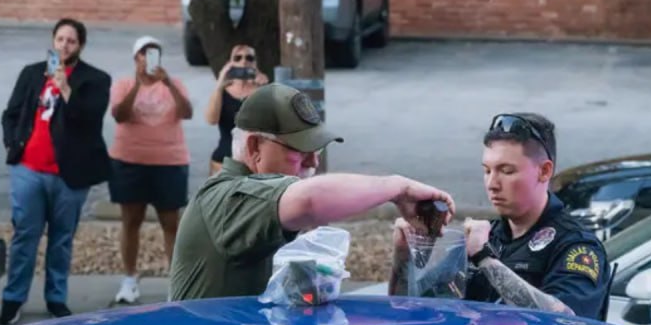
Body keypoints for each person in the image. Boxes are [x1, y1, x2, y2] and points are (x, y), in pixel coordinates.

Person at [170, 83, 456, 301]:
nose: (314, 161)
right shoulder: (228, 198)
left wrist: (404, 257)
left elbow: (310, 309)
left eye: (317, 149)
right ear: (255, 147)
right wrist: (398, 188)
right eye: (300, 150)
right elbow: (308, 200)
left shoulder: (269, 215)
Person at [390, 112, 610, 319]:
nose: (492, 184)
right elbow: (409, 310)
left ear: (544, 171)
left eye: (506, 171)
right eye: (487, 170)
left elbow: (565, 320)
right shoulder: (489, 236)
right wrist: (404, 255)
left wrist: (485, 258)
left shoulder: (576, 245)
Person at [0, 18, 112, 325]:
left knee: (61, 239)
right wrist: (14, 144)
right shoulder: (32, 73)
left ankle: (56, 299)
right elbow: (10, 113)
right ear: (53, 40)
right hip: (28, 170)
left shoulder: (95, 79)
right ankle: (12, 299)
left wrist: (65, 88)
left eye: (71, 41)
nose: (64, 45)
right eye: (60, 39)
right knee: (25, 235)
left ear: (81, 46)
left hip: (69, 175)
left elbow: (89, 120)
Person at [108, 35, 193, 305]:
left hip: (169, 161)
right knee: (131, 221)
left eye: (153, 53)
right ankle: (130, 279)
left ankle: (177, 283)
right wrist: (137, 84)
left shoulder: (174, 84)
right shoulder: (123, 84)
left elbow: (187, 112)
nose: (148, 58)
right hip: (130, 160)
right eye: (143, 53)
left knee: (171, 224)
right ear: (136, 59)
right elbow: (120, 114)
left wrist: (168, 84)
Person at [203, 43, 269, 176]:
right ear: (230, 63)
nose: (244, 61)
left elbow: (268, 126)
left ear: (255, 63)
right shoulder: (222, 91)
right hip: (224, 159)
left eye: (249, 58)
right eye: (238, 58)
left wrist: (264, 91)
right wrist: (219, 85)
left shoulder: (262, 92)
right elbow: (211, 120)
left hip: (254, 162)